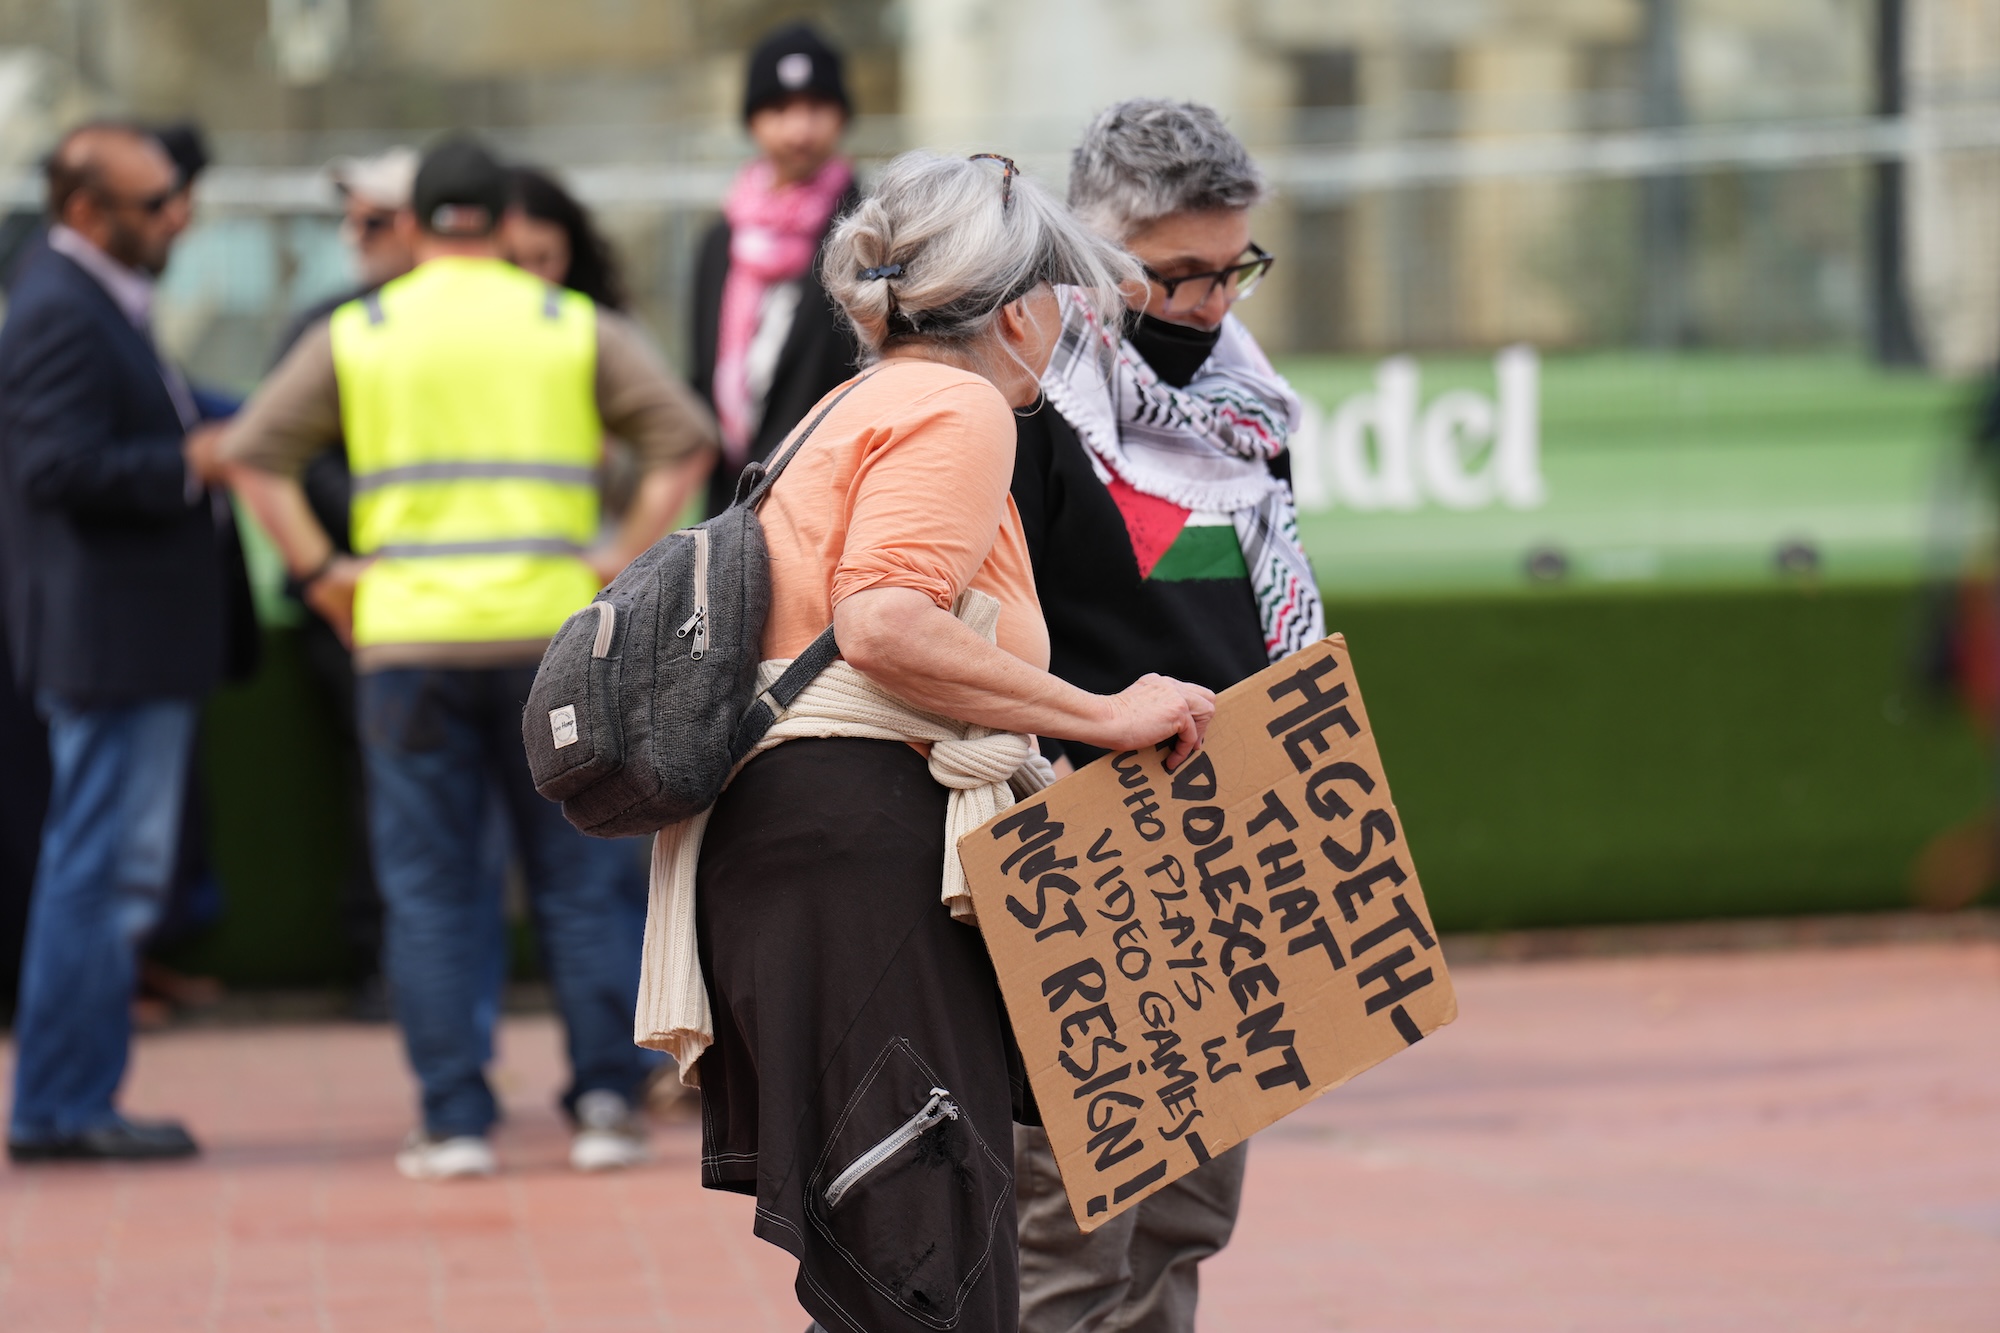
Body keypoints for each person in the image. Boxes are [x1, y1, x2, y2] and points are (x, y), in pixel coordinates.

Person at [636, 150, 1215, 1333]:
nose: (1067, 326)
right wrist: (1103, 714)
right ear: (1013, 309)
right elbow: (884, 621)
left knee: (892, 1266)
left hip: (798, 845)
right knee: (928, 1270)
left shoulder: (848, 406)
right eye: (1060, 295)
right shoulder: (956, 407)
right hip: (856, 843)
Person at [221, 135, 719, 1180]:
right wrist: (619, 559)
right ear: (502, 222)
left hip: (407, 640)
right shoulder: (567, 324)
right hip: (552, 642)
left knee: (432, 884)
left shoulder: (362, 329)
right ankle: (604, 1104)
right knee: (578, 874)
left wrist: (323, 574)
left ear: (412, 224)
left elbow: (252, 452)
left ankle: (453, 1120)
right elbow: (683, 437)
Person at [1008, 99, 1323, 1333]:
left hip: (1226, 847)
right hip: (1075, 863)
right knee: (1067, 1231)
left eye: (1233, 269)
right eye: (1177, 274)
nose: (1208, 304)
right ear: (1094, 254)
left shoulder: (1249, 403)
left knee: (1187, 1217)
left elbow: (1262, 608)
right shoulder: (1025, 403)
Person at [0, 122, 234, 1162]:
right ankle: (62, 1105)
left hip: (126, 639)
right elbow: (55, 466)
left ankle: (69, 1097)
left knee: (106, 871)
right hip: (109, 641)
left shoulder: (89, 293)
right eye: (155, 204)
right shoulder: (60, 305)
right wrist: (190, 461)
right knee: (98, 874)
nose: (177, 217)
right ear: (88, 212)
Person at [690, 21, 861, 517]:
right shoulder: (722, 239)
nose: (799, 130)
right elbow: (704, 376)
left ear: (842, 116)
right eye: (780, 109)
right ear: (752, 121)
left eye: (816, 107)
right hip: (731, 501)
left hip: (825, 498)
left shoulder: (866, 232)